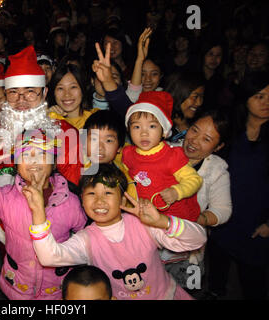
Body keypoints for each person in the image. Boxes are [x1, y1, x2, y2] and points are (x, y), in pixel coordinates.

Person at [27, 163, 206, 300]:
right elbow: (49, 257)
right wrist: (38, 214)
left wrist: (162, 221)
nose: (99, 201)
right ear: (81, 200)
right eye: (91, 194)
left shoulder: (144, 224)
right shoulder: (86, 240)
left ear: (122, 198)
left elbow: (198, 239)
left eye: (108, 193)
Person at [0, 130, 87, 300]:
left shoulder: (70, 202)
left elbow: (85, 242)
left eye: (42, 154)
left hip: (56, 290)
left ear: (54, 163)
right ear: (17, 165)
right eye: (26, 155)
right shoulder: (5, 197)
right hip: (17, 288)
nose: (33, 160)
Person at [0, 45, 83, 190]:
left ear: (44, 93)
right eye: (13, 92)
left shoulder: (65, 133)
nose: (21, 100)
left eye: (30, 91)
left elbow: (71, 188)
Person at [207, 72, 269, 300]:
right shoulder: (230, 131)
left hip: (256, 226)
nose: (266, 102)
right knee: (216, 281)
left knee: (254, 285)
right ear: (246, 98)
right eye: (260, 96)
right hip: (224, 221)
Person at [163, 108, 233, 290]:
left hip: (189, 253)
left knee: (184, 291)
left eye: (207, 139)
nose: (194, 140)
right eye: (194, 130)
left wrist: (197, 219)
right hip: (153, 245)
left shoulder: (216, 169)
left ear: (218, 147)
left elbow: (223, 210)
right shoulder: (165, 151)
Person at [122, 91, 203, 222]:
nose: (143, 133)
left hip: (175, 219)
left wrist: (177, 192)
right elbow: (126, 178)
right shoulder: (128, 154)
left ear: (164, 131)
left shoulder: (172, 156)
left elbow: (195, 180)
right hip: (145, 218)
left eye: (152, 126)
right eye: (136, 126)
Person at [47, 63, 95, 129]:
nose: (67, 94)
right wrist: (47, 120)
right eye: (60, 88)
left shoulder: (95, 120)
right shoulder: (47, 118)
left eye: (73, 87)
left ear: (82, 89)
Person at [164, 71, 205, 143]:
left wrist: (183, 126)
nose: (199, 103)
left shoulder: (199, 121)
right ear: (178, 94)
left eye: (201, 97)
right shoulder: (159, 122)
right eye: (195, 97)